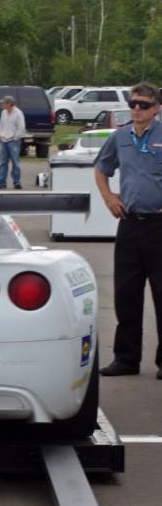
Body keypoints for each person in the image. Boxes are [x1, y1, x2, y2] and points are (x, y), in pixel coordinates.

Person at [95, 81, 162, 378]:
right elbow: (101, 168)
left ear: (156, 108)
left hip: (159, 226)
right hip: (130, 226)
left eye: (143, 105)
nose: (137, 109)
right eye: (133, 103)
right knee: (126, 293)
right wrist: (109, 197)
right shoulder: (120, 137)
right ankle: (126, 359)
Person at [0, 95, 26, 190]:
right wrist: (0, 134)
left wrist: (15, 137)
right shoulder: (3, 112)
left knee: (15, 162)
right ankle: (1, 183)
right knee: (2, 162)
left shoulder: (18, 113)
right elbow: (1, 124)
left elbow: (21, 128)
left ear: (9, 104)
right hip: (3, 140)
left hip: (13, 141)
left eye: (3, 103)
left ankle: (17, 183)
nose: (2, 104)